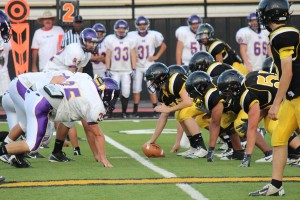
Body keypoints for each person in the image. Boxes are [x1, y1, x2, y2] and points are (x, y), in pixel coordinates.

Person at [0, 74, 119, 168]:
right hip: (41, 104)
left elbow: (59, 78)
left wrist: (96, 155)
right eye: (113, 99)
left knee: (29, 131)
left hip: (36, 94)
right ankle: (4, 151)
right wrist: (103, 158)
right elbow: (98, 134)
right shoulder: (95, 105)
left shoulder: (85, 80)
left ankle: (9, 152)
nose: (113, 103)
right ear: (106, 94)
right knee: (32, 144)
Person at [249, 0, 300, 196]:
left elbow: (287, 73)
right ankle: (276, 185)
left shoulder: (283, 35)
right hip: (293, 96)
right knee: (279, 137)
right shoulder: (283, 33)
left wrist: (275, 104)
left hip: (298, 96)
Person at [144, 62, 208, 159]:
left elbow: (188, 102)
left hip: (204, 100)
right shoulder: (162, 93)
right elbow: (163, 117)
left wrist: (169, 109)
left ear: (160, 78)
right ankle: (194, 147)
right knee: (179, 114)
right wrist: (152, 140)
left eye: (152, 80)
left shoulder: (174, 81)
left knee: (184, 113)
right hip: (194, 103)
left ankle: (202, 148)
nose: (151, 83)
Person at [128, 16, 167, 118]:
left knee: (152, 88)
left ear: (147, 25)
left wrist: (156, 56)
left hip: (149, 66)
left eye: (144, 24)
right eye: (140, 24)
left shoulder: (153, 35)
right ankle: (135, 111)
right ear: (137, 25)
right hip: (137, 65)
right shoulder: (131, 36)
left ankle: (155, 110)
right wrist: (133, 57)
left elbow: (163, 46)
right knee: (136, 88)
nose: (142, 26)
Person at [105, 19, 137, 118]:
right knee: (113, 92)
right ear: (115, 29)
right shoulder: (111, 39)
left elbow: (133, 55)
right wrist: (107, 68)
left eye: (123, 28)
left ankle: (124, 112)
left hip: (126, 71)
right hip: (114, 71)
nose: (121, 30)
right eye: (119, 28)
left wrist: (134, 68)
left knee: (126, 92)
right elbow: (108, 55)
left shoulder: (130, 40)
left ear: (127, 29)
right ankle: (109, 112)